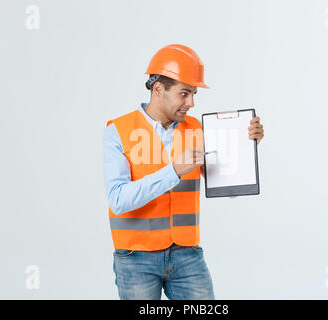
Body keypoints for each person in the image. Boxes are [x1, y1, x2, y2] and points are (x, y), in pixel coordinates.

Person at [102, 44, 264, 300]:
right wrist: (175, 170)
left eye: (194, 94)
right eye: (184, 94)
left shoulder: (197, 129)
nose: (191, 103)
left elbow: (228, 189)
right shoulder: (118, 131)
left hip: (187, 255)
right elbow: (118, 200)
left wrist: (246, 148)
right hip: (135, 258)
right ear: (158, 90)